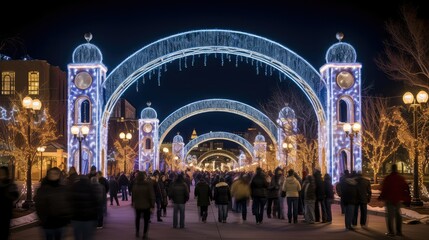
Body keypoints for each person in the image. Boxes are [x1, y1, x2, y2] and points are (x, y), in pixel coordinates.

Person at [34, 167, 72, 240]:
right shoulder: (43, 189)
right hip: (48, 223)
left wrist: (67, 218)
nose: (53, 175)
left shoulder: (63, 189)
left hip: (60, 223)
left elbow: (68, 204)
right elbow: (38, 205)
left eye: (56, 174)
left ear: (59, 175)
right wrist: (43, 219)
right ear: (48, 175)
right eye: (51, 173)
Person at [379, 164, 410, 237]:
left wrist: (381, 197)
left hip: (389, 199)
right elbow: (405, 188)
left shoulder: (388, 178)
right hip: (398, 199)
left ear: (391, 169)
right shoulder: (401, 178)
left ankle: (391, 232)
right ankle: (399, 231)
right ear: (397, 169)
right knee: (398, 214)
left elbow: (384, 189)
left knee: (390, 216)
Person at [69, 174, 100, 240]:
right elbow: (95, 202)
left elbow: (70, 201)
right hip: (88, 217)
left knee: (77, 236)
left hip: (76, 217)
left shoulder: (74, 187)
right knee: (87, 236)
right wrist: (96, 216)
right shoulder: (91, 187)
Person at [132, 171, 155, 239]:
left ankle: (137, 231)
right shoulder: (148, 184)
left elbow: (133, 195)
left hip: (138, 205)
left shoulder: (135, 185)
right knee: (146, 220)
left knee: (137, 218)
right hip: (146, 205)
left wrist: (133, 202)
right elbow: (151, 195)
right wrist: (152, 205)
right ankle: (145, 234)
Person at [0, 166, 19, 240]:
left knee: (4, 233)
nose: (1, 174)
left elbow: (15, 196)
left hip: (5, 213)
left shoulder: (10, 184)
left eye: (3, 172)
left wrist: (8, 194)